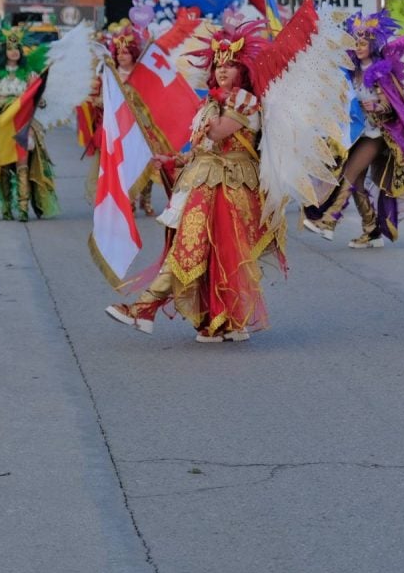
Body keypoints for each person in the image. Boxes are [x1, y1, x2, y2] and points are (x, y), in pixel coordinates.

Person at [105, 21, 286, 342]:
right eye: (218, 65)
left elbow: (217, 133)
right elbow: (202, 147)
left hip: (231, 186)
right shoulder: (215, 101)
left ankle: (144, 310)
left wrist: (215, 103)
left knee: (193, 248)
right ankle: (221, 321)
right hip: (204, 180)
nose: (222, 71)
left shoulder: (243, 101)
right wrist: (173, 159)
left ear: (243, 70)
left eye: (230, 65)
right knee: (200, 250)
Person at [302, 10, 404, 246]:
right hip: (355, 132)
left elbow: (394, 104)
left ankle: (329, 221)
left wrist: (378, 105)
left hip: (376, 134)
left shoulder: (382, 71)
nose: (358, 47)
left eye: (362, 43)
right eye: (355, 42)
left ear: (373, 45)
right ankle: (371, 230)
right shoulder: (351, 70)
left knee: (349, 173)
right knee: (357, 182)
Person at [0, 24, 59, 222]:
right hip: (3, 126)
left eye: (16, 49)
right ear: (4, 51)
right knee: (5, 168)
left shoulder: (30, 74)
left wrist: (38, 101)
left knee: (22, 166)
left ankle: (23, 209)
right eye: (9, 48)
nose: (13, 52)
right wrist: (13, 102)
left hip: (24, 126)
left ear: (21, 51)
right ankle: (7, 208)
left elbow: (38, 99)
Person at [87, 20, 157, 215]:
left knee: (146, 163)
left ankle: (147, 200)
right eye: (118, 52)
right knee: (124, 166)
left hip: (142, 125)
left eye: (125, 52)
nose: (121, 55)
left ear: (134, 54)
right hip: (120, 127)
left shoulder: (142, 75)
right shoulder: (112, 76)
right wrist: (104, 104)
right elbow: (100, 101)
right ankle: (129, 199)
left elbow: (152, 99)